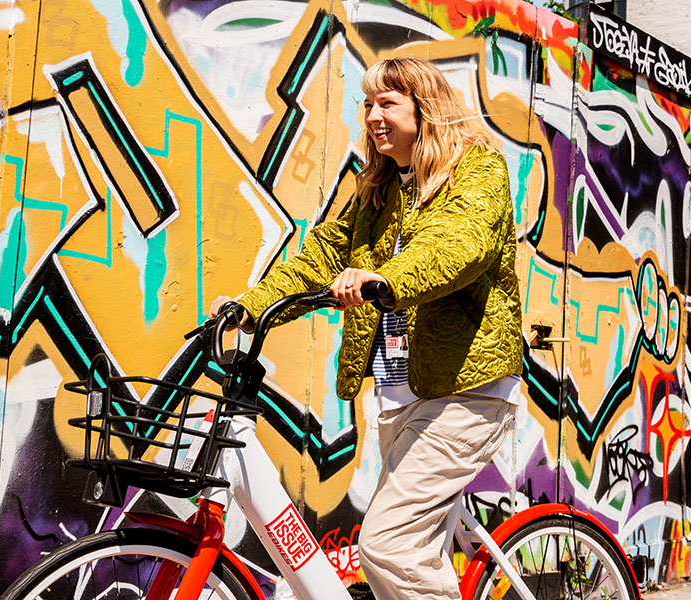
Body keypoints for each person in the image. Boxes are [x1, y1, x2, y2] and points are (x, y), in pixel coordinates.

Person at [209, 57, 523, 600]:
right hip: (400, 394)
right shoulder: (378, 188)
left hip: (467, 393)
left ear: (424, 108)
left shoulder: (478, 170)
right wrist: (251, 306)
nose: (374, 114)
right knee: (404, 560)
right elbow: (322, 257)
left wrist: (384, 277)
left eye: (388, 103)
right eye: (368, 103)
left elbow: (456, 247)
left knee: (385, 548)